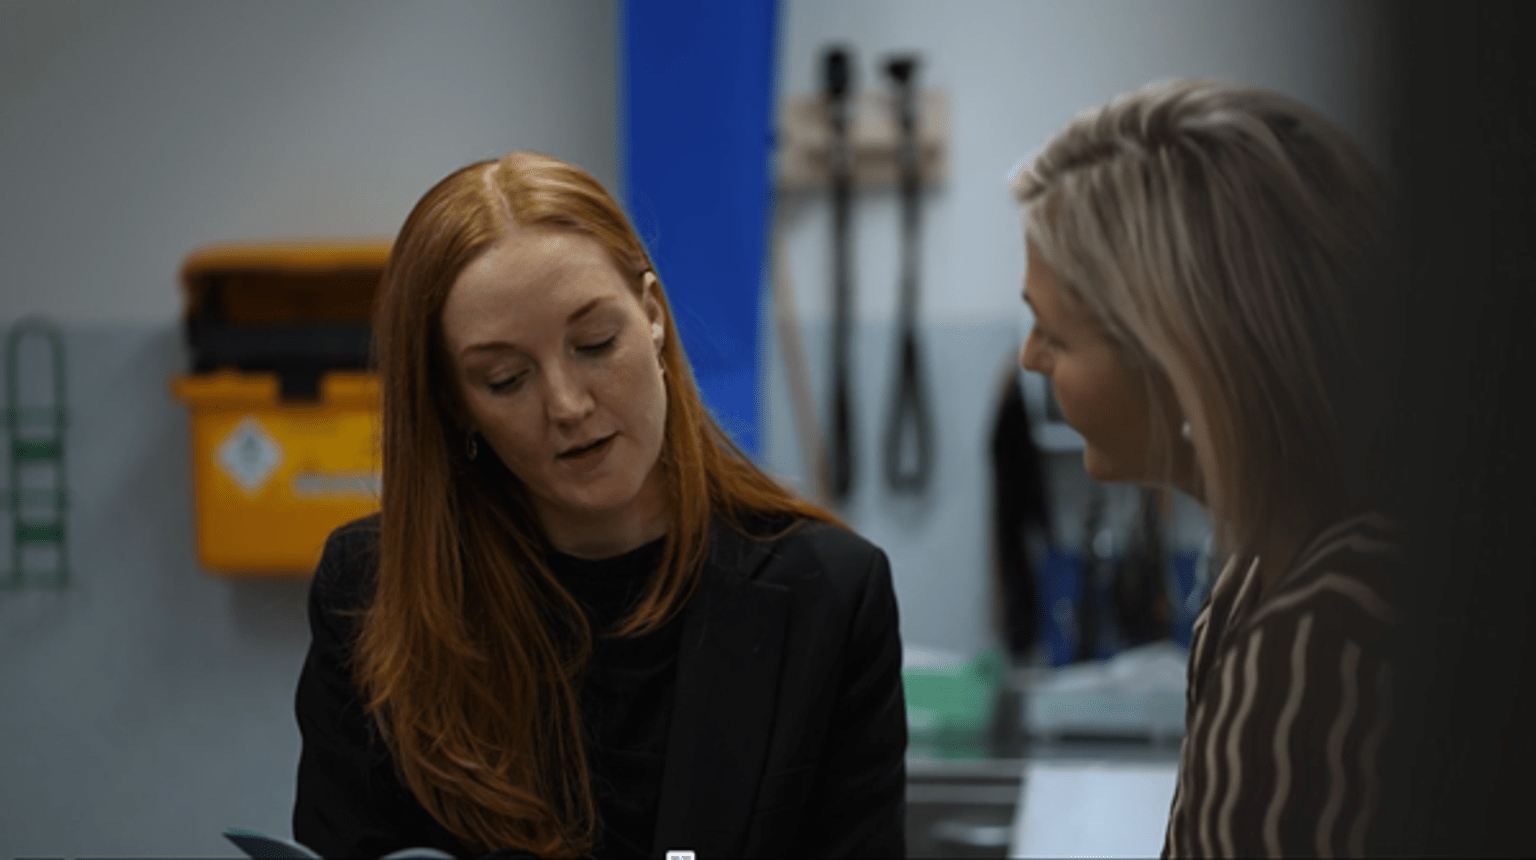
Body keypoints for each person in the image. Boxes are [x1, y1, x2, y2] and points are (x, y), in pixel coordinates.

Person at [292, 151, 907, 859]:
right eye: (506, 378)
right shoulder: (370, 589)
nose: (567, 405)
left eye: (595, 343)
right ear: (454, 404)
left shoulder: (829, 593)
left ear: (652, 315)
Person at [1011, 79, 1403, 856]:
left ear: (1180, 359)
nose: (1030, 358)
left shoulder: (1311, 649)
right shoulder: (1258, 583)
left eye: (1054, 333)